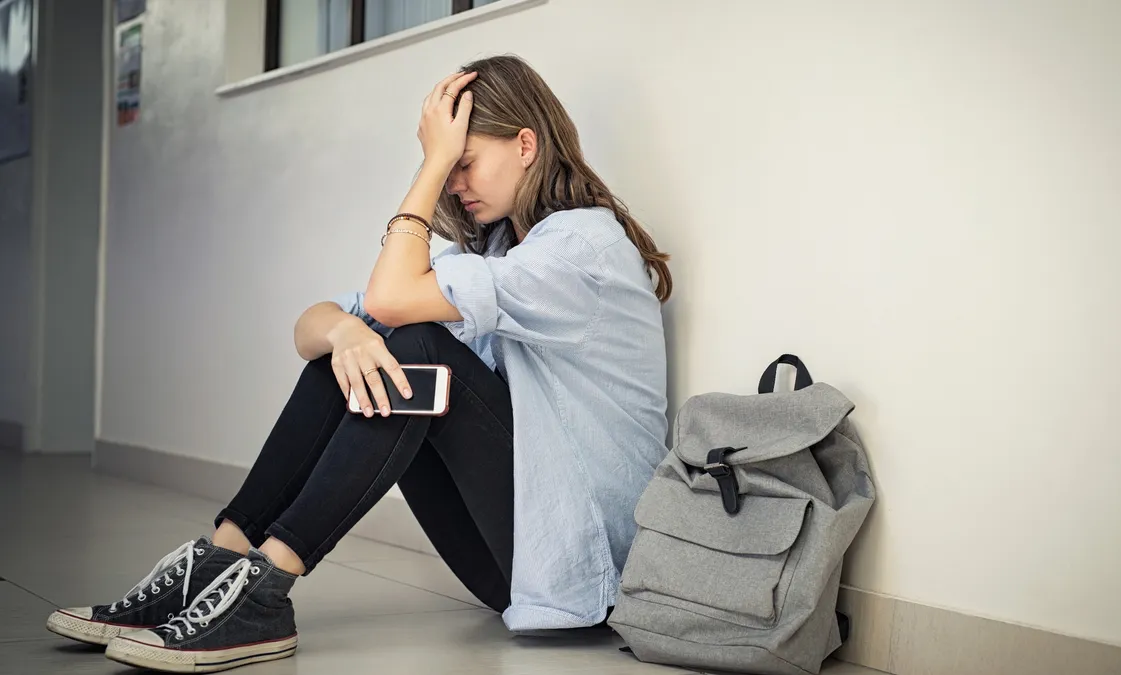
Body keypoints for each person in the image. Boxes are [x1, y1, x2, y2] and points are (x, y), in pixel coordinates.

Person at [44, 54, 671, 673]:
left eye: (463, 163)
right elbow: (311, 328)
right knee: (348, 354)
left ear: (526, 145)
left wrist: (430, 164)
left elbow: (391, 300)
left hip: (585, 567)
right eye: (447, 169)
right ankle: (218, 563)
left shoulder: (583, 246)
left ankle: (266, 591)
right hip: (515, 565)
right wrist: (345, 333)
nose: (454, 183)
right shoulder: (498, 252)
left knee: (415, 348)